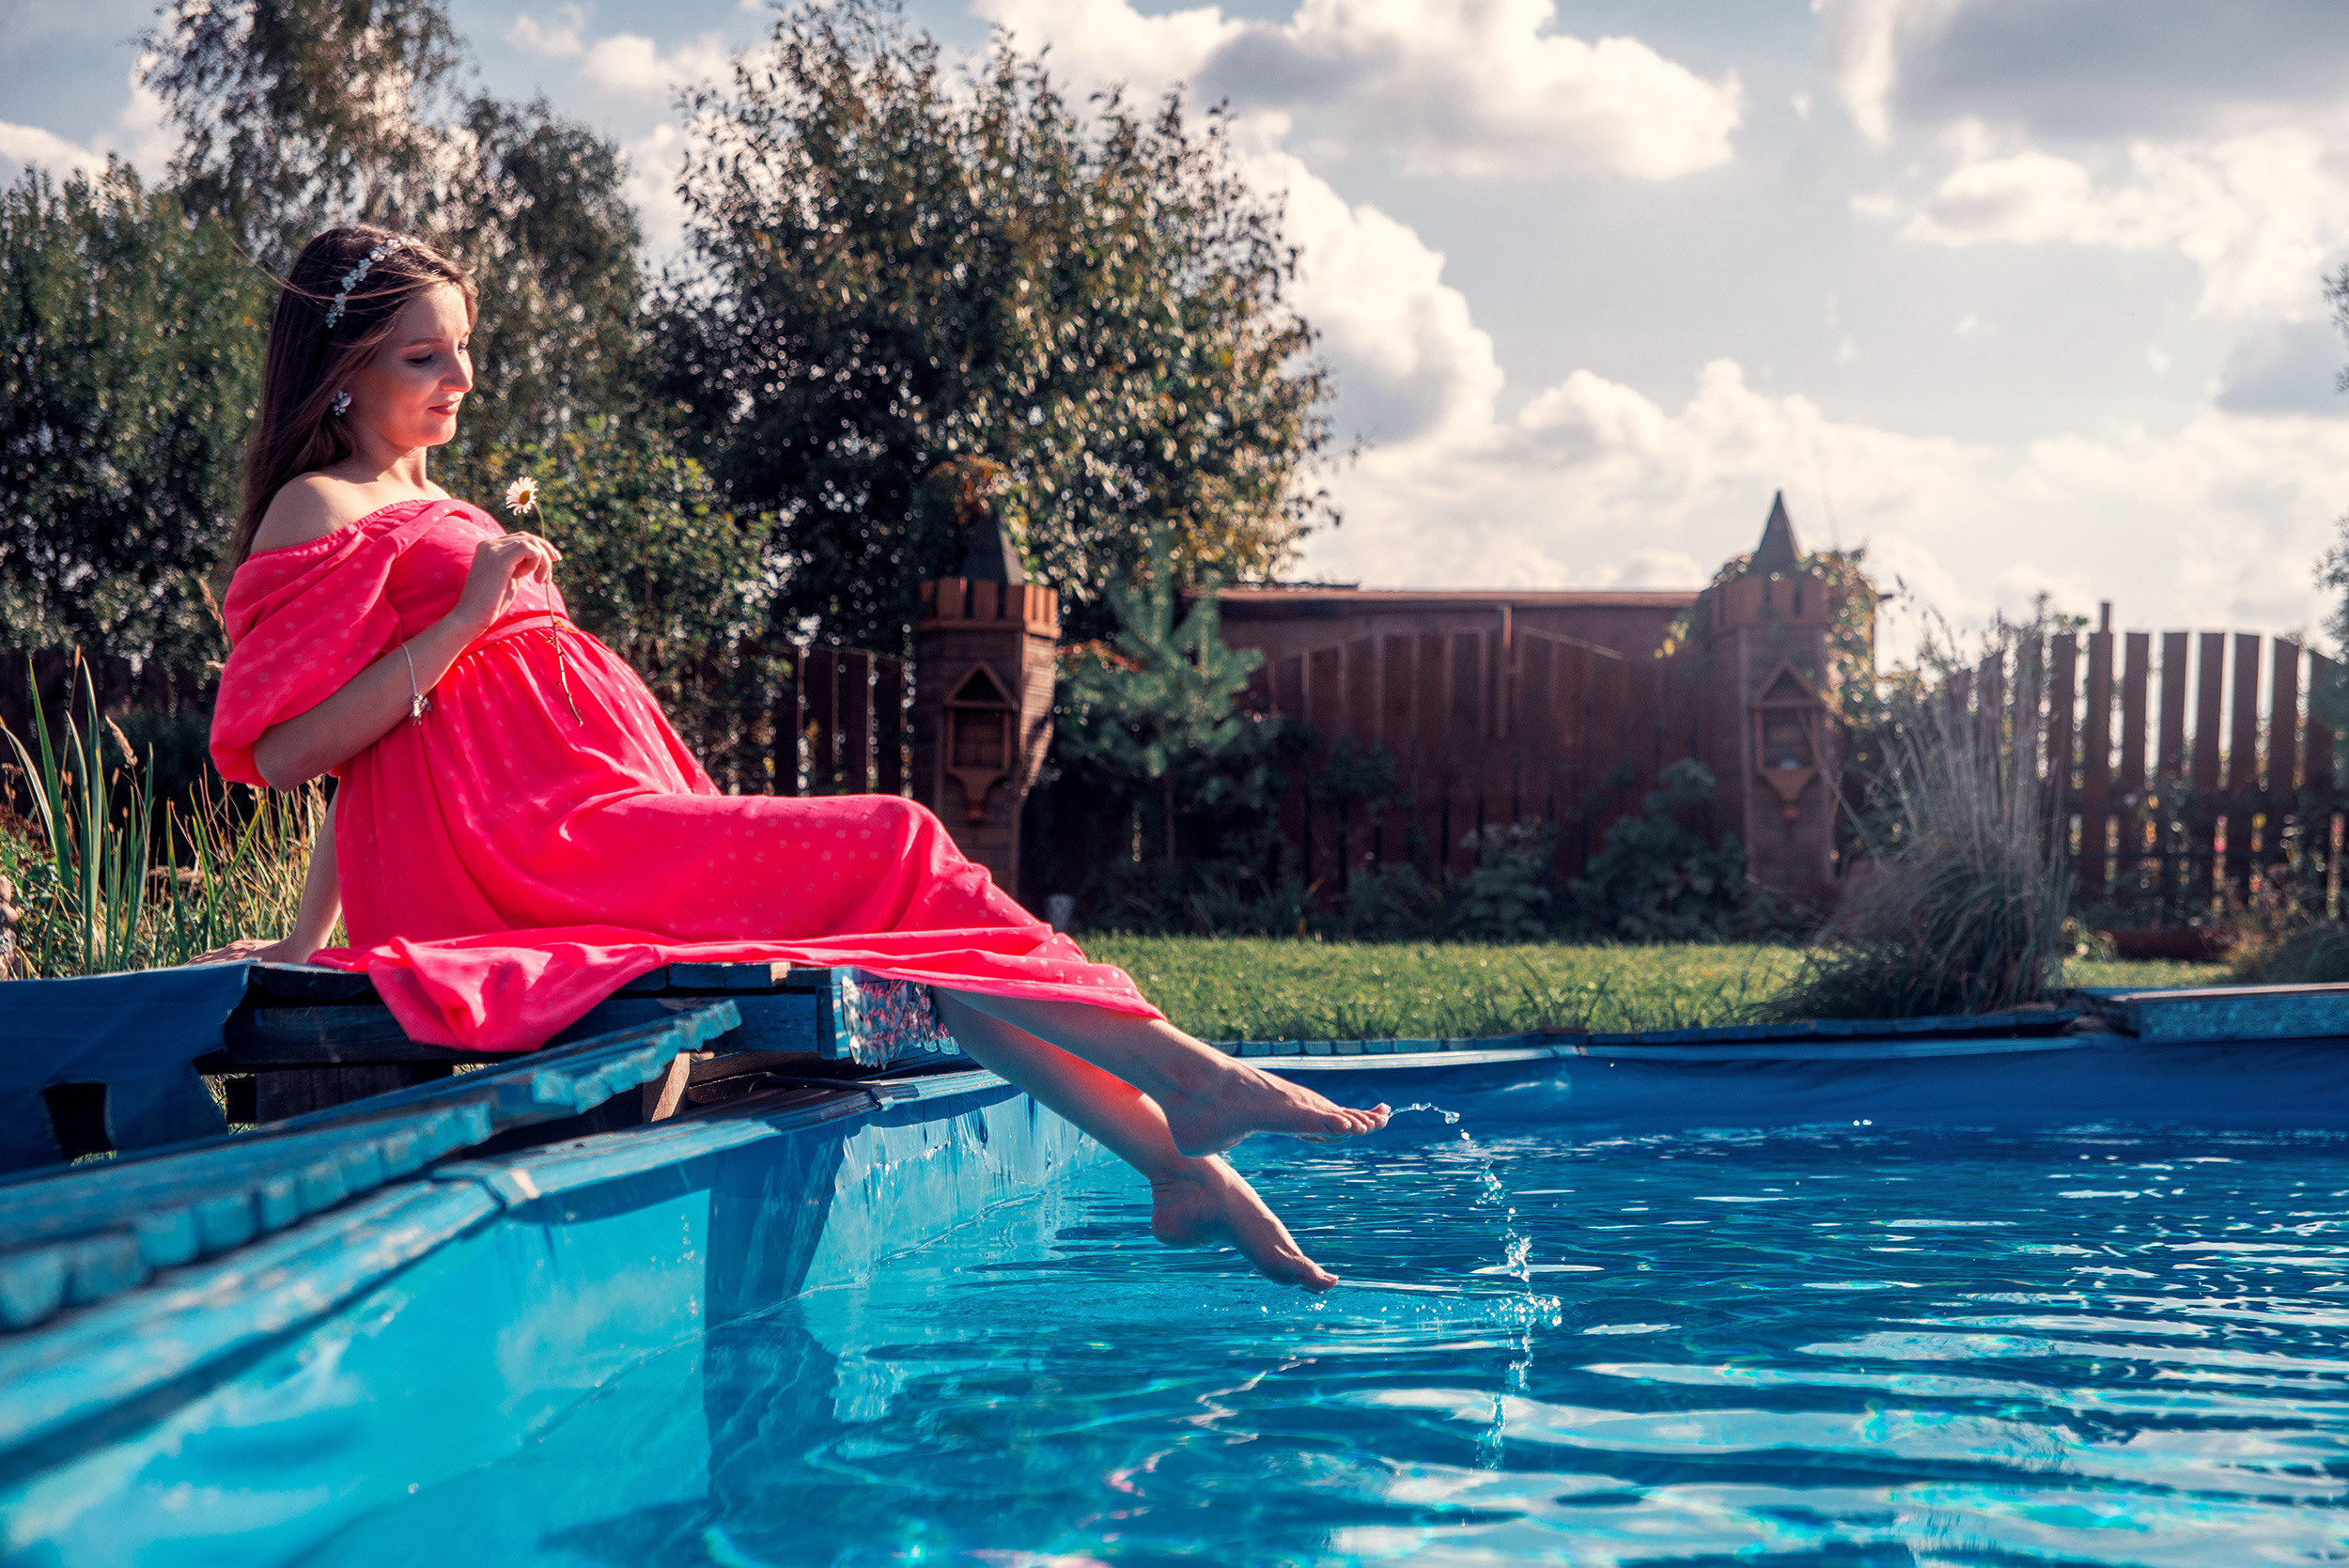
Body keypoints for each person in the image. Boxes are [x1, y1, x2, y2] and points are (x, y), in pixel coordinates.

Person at [195, 225, 1387, 1290]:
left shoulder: (432, 497)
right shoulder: (318, 505)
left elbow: (377, 761)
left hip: (596, 813)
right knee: (897, 840)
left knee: (913, 919)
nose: (461, 377)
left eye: (463, 348)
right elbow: (299, 750)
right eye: (424, 356)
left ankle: (1177, 1162)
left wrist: (304, 936)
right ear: (344, 365)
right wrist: (466, 620)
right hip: (537, 847)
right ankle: (1186, 1083)